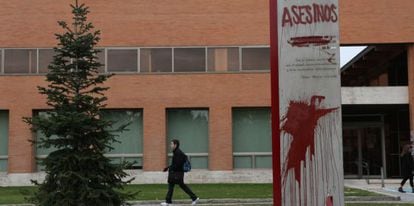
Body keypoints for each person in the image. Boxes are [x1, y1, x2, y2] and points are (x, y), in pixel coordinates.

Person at [161, 139, 199, 205]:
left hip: (177, 173)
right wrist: (168, 168)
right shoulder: (176, 152)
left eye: (171, 144)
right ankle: (168, 201)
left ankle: (194, 198)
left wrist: (170, 168)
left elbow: (178, 164)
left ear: (175, 145)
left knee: (178, 186)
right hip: (176, 173)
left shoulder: (178, 153)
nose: (170, 145)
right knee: (174, 186)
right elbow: (175, 163)